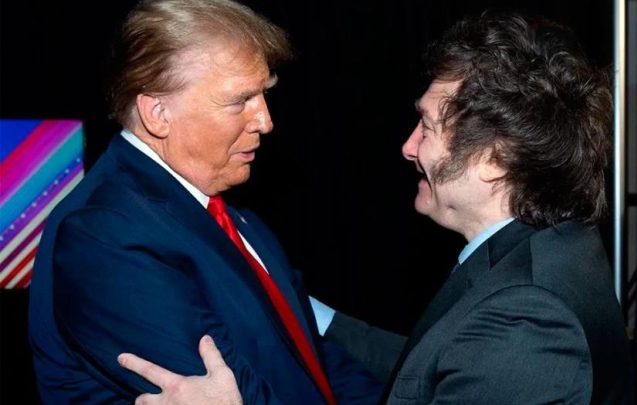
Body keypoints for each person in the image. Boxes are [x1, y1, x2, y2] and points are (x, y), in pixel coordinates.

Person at [118, 12, 634, 404]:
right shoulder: (543, 251)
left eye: (427, 128)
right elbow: (433, 364)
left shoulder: (528, 318)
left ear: (494, 160)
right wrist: (301, 311)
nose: (409, 148)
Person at [27, 0, 382, 404]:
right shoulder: (105, 233)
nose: (265, 122)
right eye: (239, 101)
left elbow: (314, 362)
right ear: (158, 113)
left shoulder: (231, 215)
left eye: (264, 95)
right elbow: (235, 392)